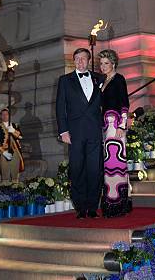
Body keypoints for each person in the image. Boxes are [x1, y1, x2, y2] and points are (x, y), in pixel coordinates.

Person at [56, 48, 105, 219]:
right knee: (77, 169)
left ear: (89, 60)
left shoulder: (100, 78)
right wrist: (63, 131)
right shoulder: (64, 80)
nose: (80, 62)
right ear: (73, 61)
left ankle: (92, 206)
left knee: (94, 169)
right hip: (75, 133)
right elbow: (60, 107)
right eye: (77, 59)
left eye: (83, 59)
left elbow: (106, 102)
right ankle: (80, 207)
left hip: (94, 131)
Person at [98, 49, 131, 218]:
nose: (103, 66)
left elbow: (124, 103)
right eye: (101, 63)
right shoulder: (102, 82)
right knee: (108, 165)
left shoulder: (119, 79)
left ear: (113, 64)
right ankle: (114, 200)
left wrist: (122, 125)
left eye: (106, 63)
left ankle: (117, 203)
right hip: (105, 127)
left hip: (116, 126)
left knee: (115, 164)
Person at [0, 108, 25, 184]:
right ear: (0, 116)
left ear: (9, 115)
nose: (5, 116)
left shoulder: (15, 125)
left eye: (6, 114)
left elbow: (20, 137)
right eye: (3, 114)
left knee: (15, 172)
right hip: (4, 152)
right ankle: (5, 188)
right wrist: (3, 153)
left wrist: (13, 131)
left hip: (15, 150)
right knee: (5, 172)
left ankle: (15, 188)